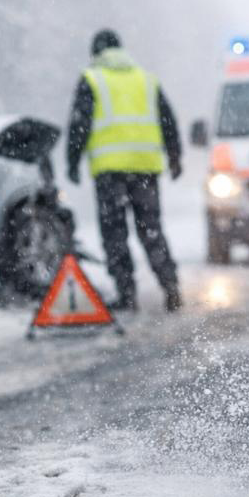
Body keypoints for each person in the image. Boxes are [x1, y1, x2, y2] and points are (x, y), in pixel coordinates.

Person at [67, 29, 183, 313]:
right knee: (151, 229)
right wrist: (175, 155)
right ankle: (170, 287)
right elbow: (168, 119)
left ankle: (127, 294)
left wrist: (72, 161)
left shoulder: (92, 79)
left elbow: (79, 125)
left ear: (95, 53)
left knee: (114, 233)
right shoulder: (145, 79)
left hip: (110, 172)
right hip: (145, 169)